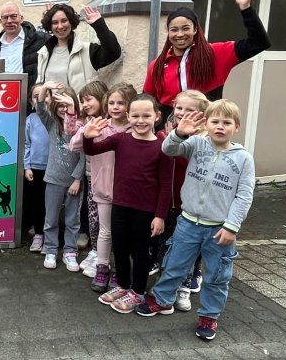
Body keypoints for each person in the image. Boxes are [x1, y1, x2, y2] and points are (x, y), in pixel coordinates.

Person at [136, 100, 254, 341]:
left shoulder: (244, 159)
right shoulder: (196, 144)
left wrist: (232, 226)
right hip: (188, 222)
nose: (220, 127)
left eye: (226, 123)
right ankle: (162, 299)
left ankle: (209, 315)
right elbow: (168, 149)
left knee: (218, 276)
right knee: (174, 264)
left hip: (220, 230)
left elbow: (244, 195)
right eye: (215, 121)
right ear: (206, 124)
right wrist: (179, 133)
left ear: (237, 127)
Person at [83, 94, 172, 314]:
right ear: (128, 116)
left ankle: (138, 291)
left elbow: (166, 185)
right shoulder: (121, 140)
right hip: (120, 206)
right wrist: (87, 137)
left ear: (157, 116)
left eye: (146, 115)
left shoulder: (163, 147)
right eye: (135, 115)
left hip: (146, 211)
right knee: (120, 249)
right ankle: (123, 285)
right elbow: (92, 150)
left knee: (141, 253)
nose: (140, 120)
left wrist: (160, 215)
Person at [144, 0, 271, 124]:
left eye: (186, 28)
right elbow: (148, 101)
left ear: (196, 30)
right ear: (168, 32)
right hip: (170, 134)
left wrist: (246, 8)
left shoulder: (216, 53)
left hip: (207, 132)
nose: (179, 34)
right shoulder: (157, 66)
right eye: (174, 30)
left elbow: (259, 42)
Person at [66, 82, 135, 291]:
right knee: (105, 232)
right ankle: (102, 268)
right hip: (103, 188)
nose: (115, 107)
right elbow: (74, 145)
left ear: (130, 104)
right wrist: (86, 132)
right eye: (111, 102)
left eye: (121, 103)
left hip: (128, 192)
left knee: (123, 234)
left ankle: (119, 271)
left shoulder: (135, 128)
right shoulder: (101, 125)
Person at [156, 90, 210, 312]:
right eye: (179, 108)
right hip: (167, 200)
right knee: (169, 244)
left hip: (192, 204)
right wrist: (173, 135)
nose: (183, 113)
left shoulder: (205, 138)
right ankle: (167, 282)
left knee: (191, 246)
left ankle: (187, 282)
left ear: (202, 113)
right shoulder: (166, 134)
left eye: (190, 110)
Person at [36, 81, 85, 272]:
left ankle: (70, 251)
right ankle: (50, 249)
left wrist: (77, 179)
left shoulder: (80, 127)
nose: (64, 109)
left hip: (73, 183)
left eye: (68, 105)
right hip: (53, 180)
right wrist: (45, 87)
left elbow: (84, 156)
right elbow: (40, 108)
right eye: (60, 105)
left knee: (73, 220)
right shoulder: (51, 124)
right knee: (51, 217)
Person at [61, 80, 109, 276]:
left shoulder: (110, 121)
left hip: (108, 178)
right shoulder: (86, 121)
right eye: (83, 101)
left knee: (104, 219)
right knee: (93, 216)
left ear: (101, 98)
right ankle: (96, 251)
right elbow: (71, 131)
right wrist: (72, 110)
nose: (86, 104)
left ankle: (102, 256)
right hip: (91, 176)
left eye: (89, 99)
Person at [37, 5, 121, 91]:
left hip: (77, 104)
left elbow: (113, 52)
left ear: (71, 22)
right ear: (50, 26)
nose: (60, 26)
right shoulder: (44, 53)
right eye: (55, 22)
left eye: (64, 21)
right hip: (49, 104)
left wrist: (99, 25)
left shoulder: (87, 50)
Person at [24, 83, 50, 252]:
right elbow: (26, 144)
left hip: (53, 169)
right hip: (36, 168)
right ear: (30, 100)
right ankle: (39, 234)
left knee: (52, 204)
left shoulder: (56, 119)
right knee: (37, 203)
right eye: (36, 96)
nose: (41, 99)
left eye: (45, 94)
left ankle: (50, 236)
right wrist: (27, 166)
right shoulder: (30, 120)